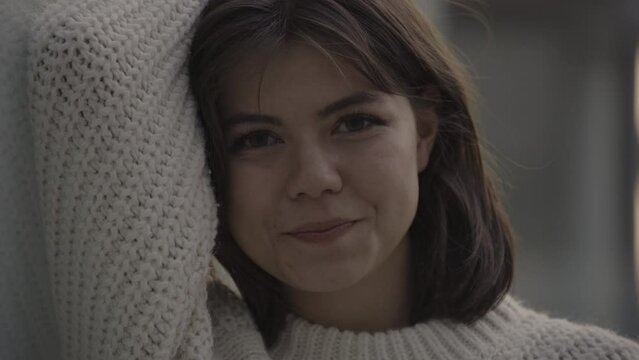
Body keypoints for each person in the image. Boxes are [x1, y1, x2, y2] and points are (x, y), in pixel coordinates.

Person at [27, 0, 639, 359]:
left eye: (354, 123)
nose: (313, 180)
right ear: (208, 165)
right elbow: (80, 56)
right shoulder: (194, 346)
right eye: (257, 139)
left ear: (424, 131)